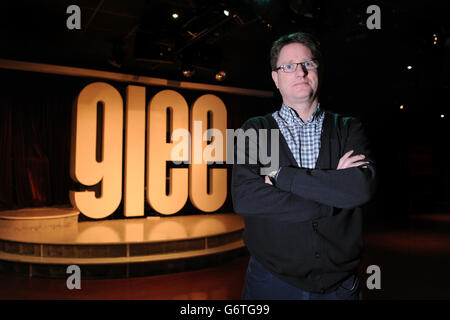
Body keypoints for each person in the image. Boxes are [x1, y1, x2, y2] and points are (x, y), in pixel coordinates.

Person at [231, 32, 377, 300]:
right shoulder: (256, 129)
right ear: (276, 78)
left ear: (317, 71)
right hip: (271, 280)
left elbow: (359, 189)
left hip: (339, 284)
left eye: (308, 64)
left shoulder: (348, 127)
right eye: (288, 66)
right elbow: (245, 198)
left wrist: (279, 176)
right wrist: (332, 192)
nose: (299, 71)